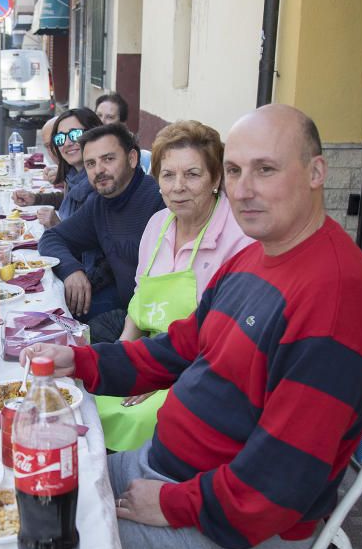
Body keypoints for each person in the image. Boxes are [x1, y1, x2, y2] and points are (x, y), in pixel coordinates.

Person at [22, 104, 362, 549]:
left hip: (227, 526)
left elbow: (280, 482)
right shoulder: (256, 255)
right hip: (166, 469)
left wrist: (175, 504)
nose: (243, 190)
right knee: (33, 500)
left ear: (316, 172)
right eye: (236, 171)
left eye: (266, 169)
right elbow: (178, 348)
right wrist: (82, 362)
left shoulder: (337, 295)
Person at [95, 120, 253, 452]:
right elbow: (139, 304)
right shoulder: (158, 224)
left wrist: (162, 374)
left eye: (192, 175)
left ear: (216, 179)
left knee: (138, 418)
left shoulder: (238, 240)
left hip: (202, 373)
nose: (178, 186)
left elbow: (230, 342)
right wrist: (125, 356)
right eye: (168, 175)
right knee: (90, 394)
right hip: (151, 355)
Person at [38, 122, 163, 343]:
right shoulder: (100, 203)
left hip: (155, 321)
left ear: (132, 159)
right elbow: (52, 237)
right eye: (91, 163)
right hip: (126, 309)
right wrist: (71, 270)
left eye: (108, 159)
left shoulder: (158, 201)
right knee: (46, 325)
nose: (99, 170)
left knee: (70, 344)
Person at [13, 115, 68, 223]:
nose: (53, 150)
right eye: (48, 146)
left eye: (58, 141)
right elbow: (66, 199)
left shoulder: (87, 175)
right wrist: (35, 198)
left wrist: (58, 225)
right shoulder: (72, 173)